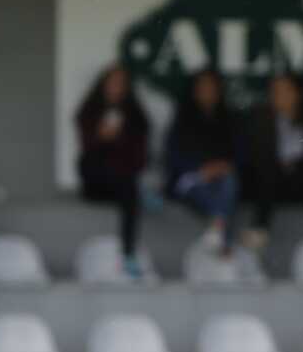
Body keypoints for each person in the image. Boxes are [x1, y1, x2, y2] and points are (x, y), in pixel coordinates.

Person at [242, 72, 303, 250]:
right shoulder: (262, 118)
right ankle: (259, 229)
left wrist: (296, 162)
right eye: (275, 91)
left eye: (285, 91)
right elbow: (256, 155)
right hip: (273, 179)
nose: (279, 96)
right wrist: (280, 162)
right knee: (267, 171)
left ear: (297, 93)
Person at [73, 64, 151, 275]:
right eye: (112, 83)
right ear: (103, 85)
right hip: (96, 183)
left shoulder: (136, 115)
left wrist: (120, 138)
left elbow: (140, 156)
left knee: (129, 189)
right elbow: (87, 149)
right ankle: (143, 195)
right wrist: (101, 136)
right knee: (121, 181)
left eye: (121, 84)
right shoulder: (89, 111)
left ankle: (128, 255)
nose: (116, 88)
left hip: (124, 184)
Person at [163, 69, 243, 256]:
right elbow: (173, 156)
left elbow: (241, 153)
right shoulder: (182, 118)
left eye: (211, 87)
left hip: (222, 177)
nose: (207, 92)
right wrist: (200, 169)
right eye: (203, 87)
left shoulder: (229, 118)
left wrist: (221, 167)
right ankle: (223, 241)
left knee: (229, 182)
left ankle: (217, 228)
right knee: (211, 192)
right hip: (192, 178)